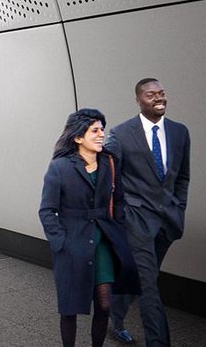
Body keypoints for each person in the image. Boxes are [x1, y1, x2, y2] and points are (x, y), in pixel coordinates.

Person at [40, 109, 140, 347]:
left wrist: (117, 224)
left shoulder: (109, 163)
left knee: (104, 303)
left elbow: (121, 199)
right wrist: (60, 243)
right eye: (94, 130)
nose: (101, 135)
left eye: (102, 129)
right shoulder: (60, 167)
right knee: (70, 308)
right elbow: (47, 210)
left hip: (104, 241)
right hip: (72, 243)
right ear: (78, 137)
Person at [105, 79, 191, 346]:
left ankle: (114, 320)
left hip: (167, 221)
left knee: (143, 277)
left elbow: (183, 176)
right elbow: (109, 178)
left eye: (161, 93)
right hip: (136, 221)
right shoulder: (121, 133)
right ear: (138, 100)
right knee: (149, 286)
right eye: (151, 94)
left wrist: (179, 206)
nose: (158, 98)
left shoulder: (180, 132)